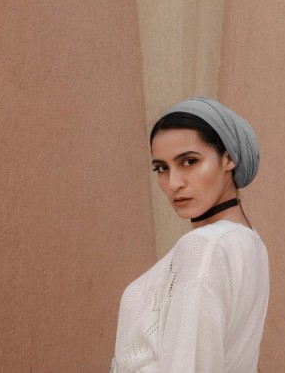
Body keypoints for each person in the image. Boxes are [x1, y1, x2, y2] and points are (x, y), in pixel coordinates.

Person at [111, 97, 269, 372]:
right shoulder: (249, 243)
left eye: (189, 161)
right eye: (162, 168)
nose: (173, 184)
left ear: (228, 157)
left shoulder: (203, 247)